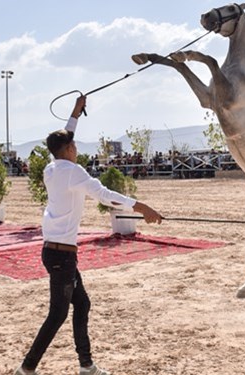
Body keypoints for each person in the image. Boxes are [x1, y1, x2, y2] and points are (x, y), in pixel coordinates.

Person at [14, 96, 163, 375]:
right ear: (69, 149)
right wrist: (142, 207)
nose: (76, 148)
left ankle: (86, 365)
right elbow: (105, 196)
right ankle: (27, 368)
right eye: (74, 145)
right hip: (62, 255)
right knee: (58, 314)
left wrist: (76, 112)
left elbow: (63, 137)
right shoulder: (73, 172)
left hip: (55, 251)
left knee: (82, 303)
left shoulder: (52, 168)